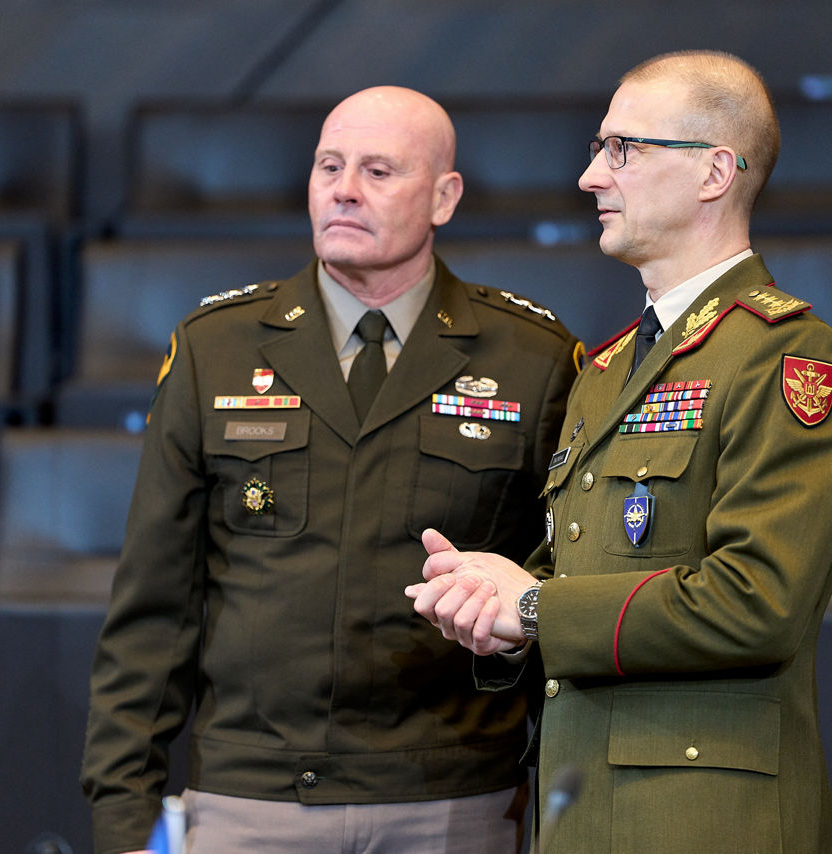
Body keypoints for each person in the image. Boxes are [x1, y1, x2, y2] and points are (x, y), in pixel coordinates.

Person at [81, 85, 582, 854]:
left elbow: (564, 584)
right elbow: (154, 608)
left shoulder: (532, 359)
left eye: (378, 171)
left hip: (454, 797)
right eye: (329, 167)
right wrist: (124, 817)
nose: (344, 190)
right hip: (252, 797)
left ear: (444, 197)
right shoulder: (215, 348)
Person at [407, 51, 832, 853]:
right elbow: (585, 573)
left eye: (622, 149)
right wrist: (499, 608)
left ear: (714, 172)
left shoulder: (786, 356)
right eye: (599, 148)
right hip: (582, 807)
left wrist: (534, 606)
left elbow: (756, 604)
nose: (591, 176)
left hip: (704, 822)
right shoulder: (609, 367)